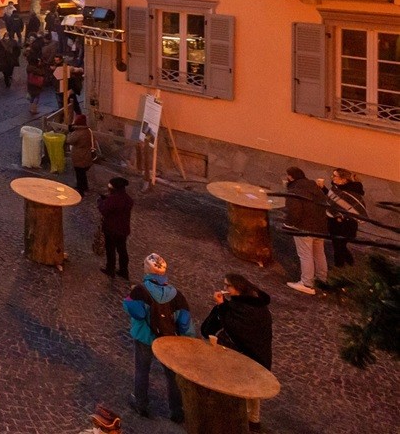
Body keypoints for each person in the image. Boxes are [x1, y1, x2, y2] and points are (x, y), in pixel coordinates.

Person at [123, 252, 192, 422]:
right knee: (171, 376)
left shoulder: (140, 290)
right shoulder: (177, 295)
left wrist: (129, 298)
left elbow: (138, 313)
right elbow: (184, 322)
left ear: (147, 270)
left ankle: (141, 404)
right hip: (168, 340)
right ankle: (177, 411)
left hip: (145, 337)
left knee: (142, 370)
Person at [201, 274, 273, 431]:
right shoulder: (256, 305)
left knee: (244, 390)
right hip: (259, 355)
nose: (225, 288)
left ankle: (242, 421)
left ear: (238, 288)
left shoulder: (244, 309)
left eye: (228, 286)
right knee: (253, 389)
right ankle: (254, 419)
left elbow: (235, 329)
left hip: (249, 356)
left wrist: (221, 306)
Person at [283, 166, 329, 295]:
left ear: (291, 177)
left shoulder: (295, 190)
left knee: (305, 254)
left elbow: (294, 211)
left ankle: (307, 283)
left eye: (288, 176)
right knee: (319, 253)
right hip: (321, 227)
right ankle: (322, 280)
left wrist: (288, 224)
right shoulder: (315, 188)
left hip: (304, 227)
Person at [323, 168, 366, 269]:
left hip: (345, 225)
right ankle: (351, 268)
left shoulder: (351, 192)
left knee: (339, 249)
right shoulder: (337, 188)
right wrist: (323, 189)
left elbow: (351, 208)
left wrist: (340, 216)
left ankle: (341, 270)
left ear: (344, 180)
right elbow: (333, 200)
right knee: (340, 248)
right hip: (335, 224)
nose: (332, 177)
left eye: (335, 176)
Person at [98, 176, 134, 279]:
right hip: (123, 230)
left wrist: (100, 202)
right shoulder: (127, 199)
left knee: (110, 250)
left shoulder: (113, 199)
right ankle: (124, 271)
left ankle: (110, 269)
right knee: (122, 250)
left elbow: (104, 210)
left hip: (111, 229)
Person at [67, 114, 95, 196]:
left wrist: (70, 133)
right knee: (82, 174)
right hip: (86, 155)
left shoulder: (78, 133)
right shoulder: (88, 131)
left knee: (79, 174)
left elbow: (69, 141)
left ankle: (81, 191)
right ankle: (85, 187)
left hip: (79, 156)